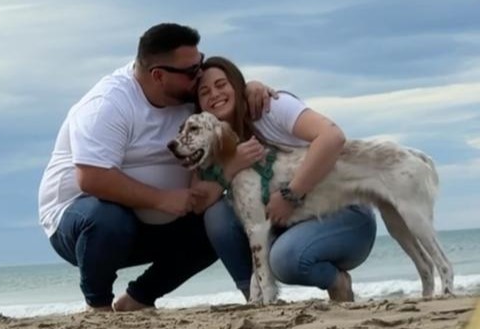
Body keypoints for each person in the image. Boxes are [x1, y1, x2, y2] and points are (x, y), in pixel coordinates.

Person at [38, 24, 273, 312]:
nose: (198, 74)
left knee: (213, 221)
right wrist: (161, 199)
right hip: (80, 221)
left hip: (156, 221)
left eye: (199, 63)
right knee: (109, 219)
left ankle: (138, 298)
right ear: (158, 75)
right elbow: (92, 179)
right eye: (191, 71)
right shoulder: (108, 105)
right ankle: (98, 305)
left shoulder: (187, 95)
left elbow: (224, 95)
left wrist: (250, 88)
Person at [193, 56, 377, 302]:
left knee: (285, 259)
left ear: (236, 85)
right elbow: (199, 201)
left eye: (221, 84)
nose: (214, 94)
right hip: (289, 223)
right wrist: (233, 164)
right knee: (218, 215)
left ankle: (337, 282)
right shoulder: (212, 138)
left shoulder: (270, 107)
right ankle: (255, 297)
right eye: (204, 92)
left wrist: (292, 194)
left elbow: (332, 137)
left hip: (343, 212)